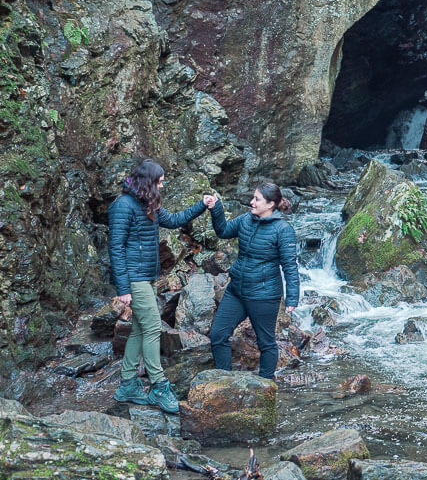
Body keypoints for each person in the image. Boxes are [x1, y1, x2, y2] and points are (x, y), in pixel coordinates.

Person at [109, 159, 208, 413]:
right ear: (148, 182)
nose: (163, 185)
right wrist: (123, 289)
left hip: (149, 275)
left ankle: (127, 384)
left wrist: (202, 205)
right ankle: (158, 386)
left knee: (141, 330)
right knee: (153, 327)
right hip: (134, 278)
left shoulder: (148, 202)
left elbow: (175, 220)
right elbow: (116, 249)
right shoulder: (122, 206)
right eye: (160, 181)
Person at [205, 183, 299, 380]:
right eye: (253, 198)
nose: (251, 202)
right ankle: (224, 382)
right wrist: (217, 208)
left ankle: (265, 388)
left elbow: (290, 266)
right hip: (236, 291)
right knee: (217, 335)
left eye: (257, 199)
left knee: (266, 343)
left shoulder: (283, 229)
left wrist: (292, 298)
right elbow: (222, 231)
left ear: (271, 204)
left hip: (264, 296)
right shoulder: (246, 219)